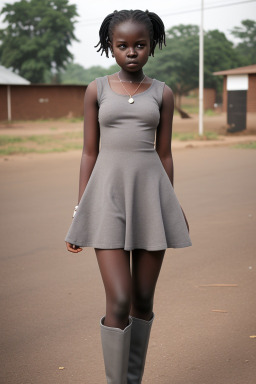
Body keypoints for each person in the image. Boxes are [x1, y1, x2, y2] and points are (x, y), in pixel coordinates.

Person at [65, 9, 192, 384]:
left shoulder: (162, 92)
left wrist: (172, 204)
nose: (132, 52)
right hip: (106, 200)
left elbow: (164, 154)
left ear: (152, 47)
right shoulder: (97, 89)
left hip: (152, 199)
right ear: (110, 46)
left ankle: (131, 380)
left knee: (143, 302)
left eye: (140, 44)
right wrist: (79, 212)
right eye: (123, 45)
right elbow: (89, 152)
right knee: (119, 300)